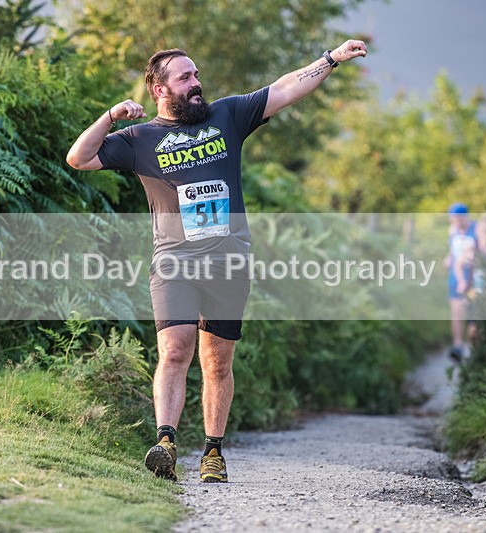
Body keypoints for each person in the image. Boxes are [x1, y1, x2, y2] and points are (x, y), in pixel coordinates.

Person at [66, 41, 368, 482]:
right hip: (174, 260)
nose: (196, 84)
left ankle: (212, 452)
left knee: (218, 362)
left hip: (228, 261)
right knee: (174, 350)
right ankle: (165, 443)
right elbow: (79, 158)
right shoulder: (139, 139)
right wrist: (111, 116)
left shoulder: (226, 115)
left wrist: (330, 60)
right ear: (158, 88)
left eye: (196, 75)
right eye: (185, 78)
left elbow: (284, 90)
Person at [443, 202, 476, 363]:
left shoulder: (475, 230)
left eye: (455, 218)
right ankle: (457, 345)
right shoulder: (452, 231)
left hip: (473, 278)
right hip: (455, 277)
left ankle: (472, 348)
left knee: (472, 313)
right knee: (456, 311)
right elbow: (452, 250)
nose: (453, 221)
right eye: (451, 218)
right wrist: (448, 259)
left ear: (463, 216)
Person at [465, 213, 486, 346]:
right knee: (473, 330)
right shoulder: (473, 248)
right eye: (485, 230)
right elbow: (459, 264)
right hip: (475, 294)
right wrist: (462, 281)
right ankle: (475, 355)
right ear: (478, 230)